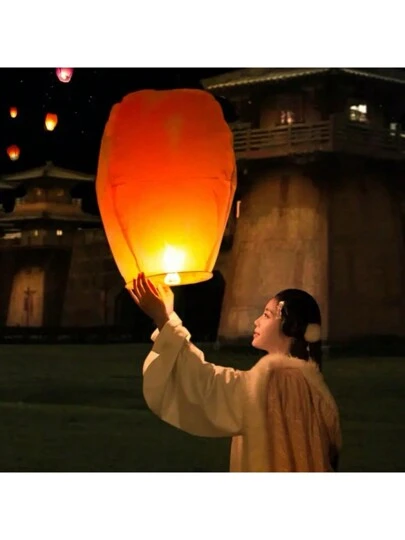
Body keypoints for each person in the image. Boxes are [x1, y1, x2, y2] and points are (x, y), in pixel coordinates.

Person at [131, 272, 342, 472]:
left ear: (290, 326)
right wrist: (168, 318)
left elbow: (208, 385)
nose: (257, 321)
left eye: (267, 315)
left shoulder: (279, 381)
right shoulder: (307, 383)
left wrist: (164, 320)